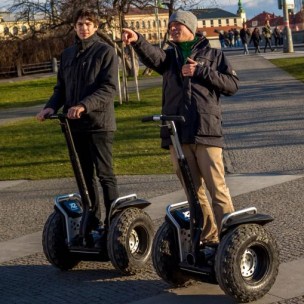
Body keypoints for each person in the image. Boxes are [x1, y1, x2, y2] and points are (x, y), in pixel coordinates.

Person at [122, 11, 239, 252]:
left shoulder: (214, 55)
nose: (173, 28)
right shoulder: (170, 58)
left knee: (217, 189)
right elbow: (153, 57)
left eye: (178, 25)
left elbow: (232, 85)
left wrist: (201, 71)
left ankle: (231, 241)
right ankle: (209, 237)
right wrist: (137, 40)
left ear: (192, 28)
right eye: (171, 25)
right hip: (177, 134)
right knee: (193, 192)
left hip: (206, 131)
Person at [37, 8, 119, 234]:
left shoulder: (106, 52)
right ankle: (92, 220)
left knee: (104, 175)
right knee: (84, 177)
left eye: (88, 24)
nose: (84, 28)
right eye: (80, 24)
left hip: (99, 124)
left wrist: (84, 105)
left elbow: (109, 89)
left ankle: (115, 223)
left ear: (96, 27)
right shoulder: (67, 54)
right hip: (74, 126)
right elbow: (61, 88)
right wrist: (50, 107)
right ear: (74, 26)